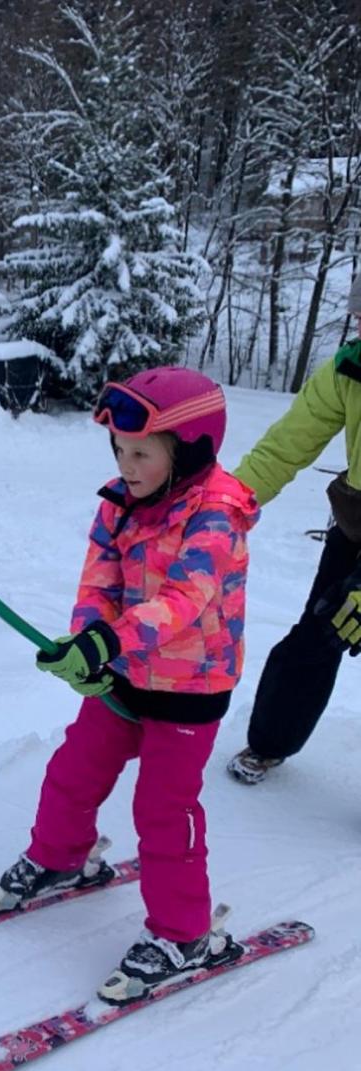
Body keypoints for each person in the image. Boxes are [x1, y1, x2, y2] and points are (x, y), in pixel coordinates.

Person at [0, 366, 260, 1004]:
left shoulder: (217, 514)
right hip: (127, 676)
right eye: (119, 452)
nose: (126, 465)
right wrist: (85, 642)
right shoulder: (119, 503)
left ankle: (184, 933)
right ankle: (60, 855)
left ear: (188, 450)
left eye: (140, 453)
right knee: (74, 769)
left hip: (191, 688)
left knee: (163, 809)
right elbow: (99, 584)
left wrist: (110, 643)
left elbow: (188, 598)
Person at [227, 272, 361, 784]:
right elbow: (285, 447)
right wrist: (225, 508)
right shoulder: (350, 368)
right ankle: (269, 744)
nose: (358, 322)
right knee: (316, 634)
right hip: (356, 528)